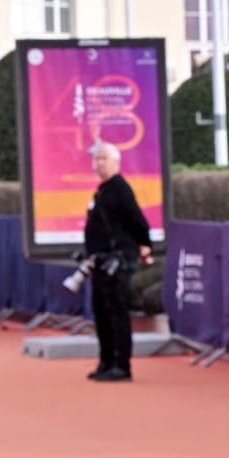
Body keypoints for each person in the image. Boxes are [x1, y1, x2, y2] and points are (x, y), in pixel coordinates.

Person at [83, 141, 152, 383]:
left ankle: (122, 365)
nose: (98, 163)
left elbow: (138, 221)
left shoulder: (120, 189)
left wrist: (143, 245)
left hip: (118, 261)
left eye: (103, 159)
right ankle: (106, 361)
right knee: (100, 312)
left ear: (115, 162)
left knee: (116, 312)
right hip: (100, 261)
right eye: (96, 159)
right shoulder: (101, 191)